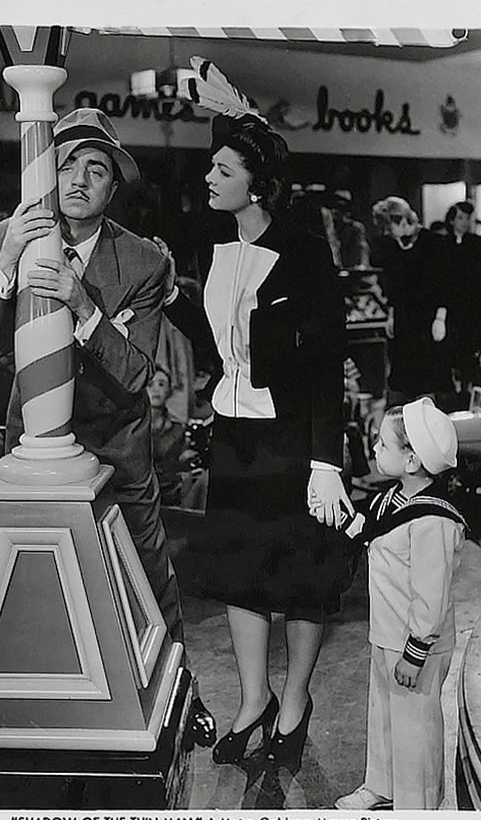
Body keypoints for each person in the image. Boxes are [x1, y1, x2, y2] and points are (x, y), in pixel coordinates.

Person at [0, 107, 215, 748]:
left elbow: (134, 373)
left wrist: (81, 304)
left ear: (112, 187)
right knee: (29, 580)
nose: (78, 179)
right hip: (34, 446)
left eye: (96, 169)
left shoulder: (142, 262)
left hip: (117, 446)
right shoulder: (6, 236)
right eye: (68, 163)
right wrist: (7, 263)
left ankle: (181, 695)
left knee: (148, 572)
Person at [163, 56, 352, 770]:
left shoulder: (304, 253)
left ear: (257, 183)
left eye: (222, 169)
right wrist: (172, 300)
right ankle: (253, 700)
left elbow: (325, 363)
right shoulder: (212, 245)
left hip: (292, 442)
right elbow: (222, 349)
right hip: (235, 439)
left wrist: (326, 462)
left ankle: (294, 701)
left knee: (299, 578)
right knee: (240, 573)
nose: (208, 178)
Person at [335, 397, 466, 810]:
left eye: (382, 443)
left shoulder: (433, 520)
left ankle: (416, 807)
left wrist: (415, 653)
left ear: (411, 461)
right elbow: (372, 532)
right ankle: (382, 785)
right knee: (385, 716)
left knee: (415, 729)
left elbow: (431, 597)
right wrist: (339, 517)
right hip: (387, 634)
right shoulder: (390, 499)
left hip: (416, 645)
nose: (374, 448)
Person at [370, 196, 457, 410]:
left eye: (389, 227)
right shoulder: (393, 247)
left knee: (427, 375)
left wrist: (440, 318)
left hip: (429, 319)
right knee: (402, 376)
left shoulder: (434, 243)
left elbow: (445, 284)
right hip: (403, 319)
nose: (387, 233)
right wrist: (391, 315)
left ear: (402, 220)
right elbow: (394, 285)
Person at [443, 201, 481, 392]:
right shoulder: (443, 244)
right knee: (453, 346)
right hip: (452, 305)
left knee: (475, 344)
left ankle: (476, 387)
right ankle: (456, 389)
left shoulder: (478, 243)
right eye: (460, 218)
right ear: (452, 220)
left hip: (474, 304)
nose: (465, 222)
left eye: (468, 218)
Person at [147, 366, 192, 506]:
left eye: (161, 384)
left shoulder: (178, 430)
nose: (155, 390)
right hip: (142, 497)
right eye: (150, 385)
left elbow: (181, 468)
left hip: (170, 496)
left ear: (169, 391)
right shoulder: (133, 429)